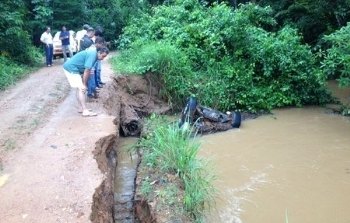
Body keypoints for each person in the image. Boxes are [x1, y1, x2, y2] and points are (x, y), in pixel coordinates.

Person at [63, 46, 109, 117]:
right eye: (103, 56)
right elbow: (87, 70)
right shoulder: (93, 54)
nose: (103, 59)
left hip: (73, 68)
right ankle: (85, 111)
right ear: (99, 52)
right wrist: (84, 84)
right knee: (82, 89)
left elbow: (88, 70)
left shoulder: (94, 55)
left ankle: (81, 108)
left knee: (79, 88)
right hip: (71, 68)